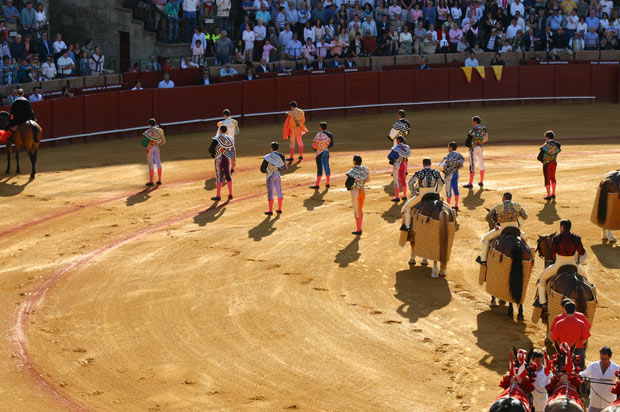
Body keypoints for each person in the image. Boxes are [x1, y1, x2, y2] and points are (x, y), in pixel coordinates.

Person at [535, 219, 587, 308]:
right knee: (586, 280)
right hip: (573, 266)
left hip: (559, 265)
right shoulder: (576, 238)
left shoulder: (557, 238)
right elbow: (582, 252)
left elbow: (553, 254)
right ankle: (593, 298)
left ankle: (543, 302)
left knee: (541, 279)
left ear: (562, 227)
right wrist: (578, 262)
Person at [476, 192, 527, 265]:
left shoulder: (499, 206)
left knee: (486, 239)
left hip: (502, 229)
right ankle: (527, 258)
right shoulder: (517, 206)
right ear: (510, 198)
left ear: (503, 198)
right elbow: (525, 216)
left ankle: (483, 260)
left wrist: (494, 225)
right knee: (524, 239)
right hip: (516, 229)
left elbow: (488, 216)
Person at [401, 158, 444, 231]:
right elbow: (442, 183)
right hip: (434, 194)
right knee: (443, 203)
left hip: (422, 195)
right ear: (430, 164)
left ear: (423, 164)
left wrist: (414, 192)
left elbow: (410, 183)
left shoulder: (420, 172)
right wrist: (437, 191)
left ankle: (407, 226)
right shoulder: (436, 172)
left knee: (406, 207)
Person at [551, 301, 590, 368]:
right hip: (578, 350)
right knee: (579, 371)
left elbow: (554, 340)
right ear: (575, 310)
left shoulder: (559, 323)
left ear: (565, 310)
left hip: (563, 352)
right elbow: (584, 340)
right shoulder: (581, 323)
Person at [580, 346, 620, 412]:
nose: (603, 361)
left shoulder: (617, 368)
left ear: (610, 357)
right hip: (594, 404)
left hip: (609, 404)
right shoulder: (592, 366)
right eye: (601, 358)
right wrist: (579, 376)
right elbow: (583, 374)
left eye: (605, 359)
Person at [208, 124, 235, 201]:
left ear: (220, 130)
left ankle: (218, 195)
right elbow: (230, 150)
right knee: (228, 175)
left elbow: (210, 149)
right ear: (226, 131)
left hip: (219, 158)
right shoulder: (229, 138)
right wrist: (231, 159)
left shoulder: (217, 139)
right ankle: (230, 194)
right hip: (227, 158)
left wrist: (214, 155)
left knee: (219, 176)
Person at [260, 141, 288, 215]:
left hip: (270, 176)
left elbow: (262, 169)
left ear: (271, 148)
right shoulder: (281, 156)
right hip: (278, 175)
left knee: (270, 192)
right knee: (279, 191)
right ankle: (279, 209)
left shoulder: (268, 156)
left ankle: (270, 210)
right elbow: (284, 167)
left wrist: (268, 170)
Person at [345, 155, 370, 235]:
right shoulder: (365, 169)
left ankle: (359, 229)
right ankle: (359, 227)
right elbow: (368, 180)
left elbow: (348, 184)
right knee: (360, 209)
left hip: (355, 192)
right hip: (362, 191)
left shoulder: (352, 171)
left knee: (357, 211)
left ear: (354, 161)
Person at [439, 142, 465, 211]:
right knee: (456, 189)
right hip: (456, 174)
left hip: (449, 175)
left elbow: (441, 165)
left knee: (448, 190)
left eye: (448, 147)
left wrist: (445, 169)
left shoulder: (448, 156)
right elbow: (462, 165)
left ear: (450, 148)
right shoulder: (460, 156)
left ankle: (448, 206)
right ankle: (456, 205)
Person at [464, 115, 488, 188]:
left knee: (472, 164)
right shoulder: (484, 129)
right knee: (481, 163)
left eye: (472, 121)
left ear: (475, 122)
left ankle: (470, 183)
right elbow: (486, 139)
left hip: (473, 148)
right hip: (480, 147)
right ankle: (481, 181)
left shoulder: (473, 130)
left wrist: (472, 145)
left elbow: (468, 141)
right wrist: (479, 143)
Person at [538, 130, 561, 200]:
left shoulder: (545, 145)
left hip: (547, 164)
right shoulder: (557, 144)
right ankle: (553, 194)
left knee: (547, 179)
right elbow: (557, 146)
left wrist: (544, 161)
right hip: (554, 162)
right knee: (553, 177)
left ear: (547, 137)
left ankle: (548, 195)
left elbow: (539, 157)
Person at [142, 118, 166, 186]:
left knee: (151, 164)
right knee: (158, 162)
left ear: (149, 124)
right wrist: (157, 144)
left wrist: (148, 146)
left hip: (150, 149)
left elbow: (144, 143)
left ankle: (151, 181)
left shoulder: (148, 131)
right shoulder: (160, 130)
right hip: (156, 148)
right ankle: (159, 180)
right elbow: (163, 141)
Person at [310, 122, 333, 189]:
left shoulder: (319, 134)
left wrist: (314, 148)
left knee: (320, 168)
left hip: (320, 153)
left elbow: (315, 145)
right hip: (326, 151)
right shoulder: (327, 135)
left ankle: (317, 184)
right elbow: (329, 143)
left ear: (320, 127)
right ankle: (328, 183)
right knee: (326, 166)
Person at [387, 136, 411, 202]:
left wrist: (393, 159)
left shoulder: (396, 147)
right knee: (403, 179)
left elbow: (389, 156)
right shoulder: (406, 147)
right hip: (403, 164)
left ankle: (397, 197)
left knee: (396, 180)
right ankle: (404, 196)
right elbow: (408, 155)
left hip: (397, 165)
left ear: (398, 140)